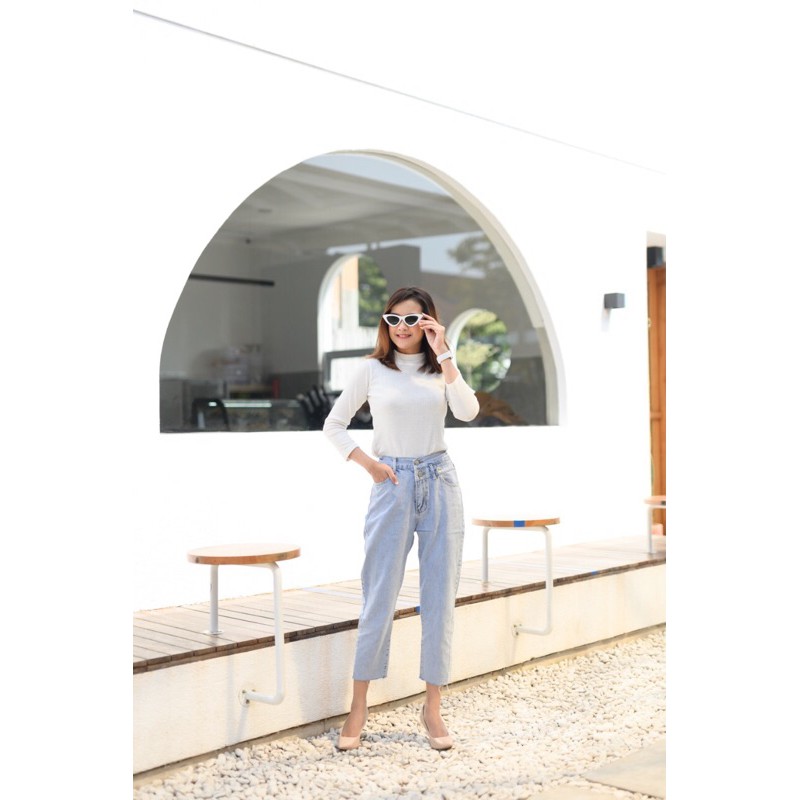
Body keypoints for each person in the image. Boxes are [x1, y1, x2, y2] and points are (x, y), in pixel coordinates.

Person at [323, 286, 479, 751]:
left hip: (440, 479)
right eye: (394, 320)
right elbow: (334, 424)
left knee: (440, 596)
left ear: (429, 322)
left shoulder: (441, 370)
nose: (403, 328)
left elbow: (468, 411)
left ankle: (433, 708)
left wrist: (444, 352)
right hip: (391, 483)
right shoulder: (372, 369)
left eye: (413, 319)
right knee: (379, 593)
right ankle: (358, 706)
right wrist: (369, 465)